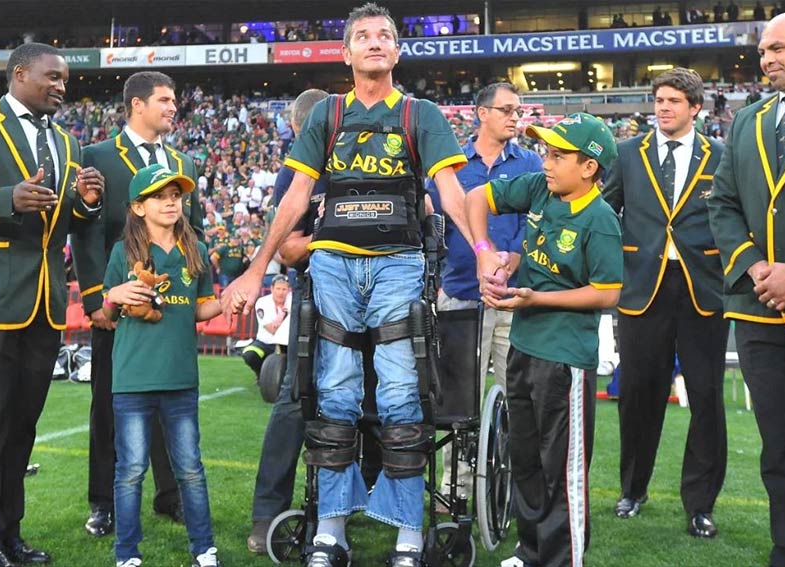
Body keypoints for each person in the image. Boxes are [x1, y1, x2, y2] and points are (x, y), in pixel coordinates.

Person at [222, 4, 473, 566]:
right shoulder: (326, 115)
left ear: (397, 51)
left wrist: (480, 251)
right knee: (333, 395)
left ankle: (408, 536)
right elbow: (293, 198)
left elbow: (450, 190)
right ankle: (330, 533)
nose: (375, 43)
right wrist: (258, 265)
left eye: (385, 35)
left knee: (401, 394)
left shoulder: (420, 113)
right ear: (347, 52)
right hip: (331, 264)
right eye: (363, 36)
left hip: (399, 261)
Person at [466, 113, 623, 567]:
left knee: (564, 472)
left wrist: (538, 298)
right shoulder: (538, 187)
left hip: (565, 359)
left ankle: (562, 558)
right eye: (547, 153)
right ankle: (530, 551)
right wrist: (485, 253)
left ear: (589, 167)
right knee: (527, 459)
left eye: (558, 155)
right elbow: (477, 197)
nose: (546, 162)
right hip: (524, 348)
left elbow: (608, 292)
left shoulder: (601, 220)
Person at [708, 12, 785, 566]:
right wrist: (755, 265)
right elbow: (722, 203)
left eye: (778, 48)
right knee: (781, 449)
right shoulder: (746, 121)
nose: (766, 60)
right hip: (759, 312)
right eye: (762, 51)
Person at [0, 42, 104, 567]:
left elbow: (65, 222)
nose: (61, 86)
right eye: (53, 77)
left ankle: (10, 535)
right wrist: (1, 199)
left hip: (46, 303)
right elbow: (10, 203)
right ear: (19, 74)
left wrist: (87, 204)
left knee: (22, 428)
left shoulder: (67, 142)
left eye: (65, 80)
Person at [72, 71, 202, 539]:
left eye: (174, 100)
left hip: (171, 313)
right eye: (165, 100)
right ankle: (103, 504)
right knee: (108, 408)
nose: (173, 107)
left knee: (173, 405)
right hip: (117, 310)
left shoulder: (185, 162)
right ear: (136, 105)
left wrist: (193, 297)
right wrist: (95, 300)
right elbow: (84, 232)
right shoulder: (97, 157)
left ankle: (171, 498)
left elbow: (197, 234)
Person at [602, 68, 728, 538]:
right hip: (641, 288)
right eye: (659, 100)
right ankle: (633, 489)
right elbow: (606, 211)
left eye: (674, 100)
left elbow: (731, 213)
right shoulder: (627, 152)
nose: (664, 107)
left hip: (702, 288)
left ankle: (700, 503)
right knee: (636, 395)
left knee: (707, 398)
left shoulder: (721, 154)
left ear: (695, 108)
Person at [102, 164, 244, 567]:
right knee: (130, 472)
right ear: (138, 207)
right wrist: (114, 293)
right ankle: (127, 554)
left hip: (181, 378)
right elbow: (107, 312)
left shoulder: (195, 249)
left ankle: (204, 549)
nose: (170, 202)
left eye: (176, 196)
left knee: (191, 470)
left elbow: (201, 308)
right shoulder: (122, 253)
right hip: (131, 380)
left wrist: (227, 301)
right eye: (160, 196)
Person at [426, 82, 542, 503]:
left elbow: (538, 221)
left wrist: (514, 256)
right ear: (481, 114)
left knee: (518, 399)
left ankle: (508, 490)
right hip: (459, 294)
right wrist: (437, 273)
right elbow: (431, 225)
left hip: (514, 296)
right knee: (459, 402)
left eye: (519, 110)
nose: (515, 117)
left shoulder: (530, 163)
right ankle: (454, 489)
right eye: (507, 109)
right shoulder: (451, 166)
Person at [246, 88, 329, 554]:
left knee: (376, 400)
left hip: (370, 292)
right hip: (313, 292)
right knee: (295, 399)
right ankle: (268, 513)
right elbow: (286, 250)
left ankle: (365, 502)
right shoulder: (294, 176)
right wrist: (335, 241)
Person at [241, 274, 292, 376]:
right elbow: (271, 329)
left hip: (286, 344)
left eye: (284, 289)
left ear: (289, 290)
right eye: (278, 289)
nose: (281, 293)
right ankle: (260, 375)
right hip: (265, 343)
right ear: (272, 289)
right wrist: (283, 313)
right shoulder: (262, 302)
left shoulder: (292, 301)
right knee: (249, 354)